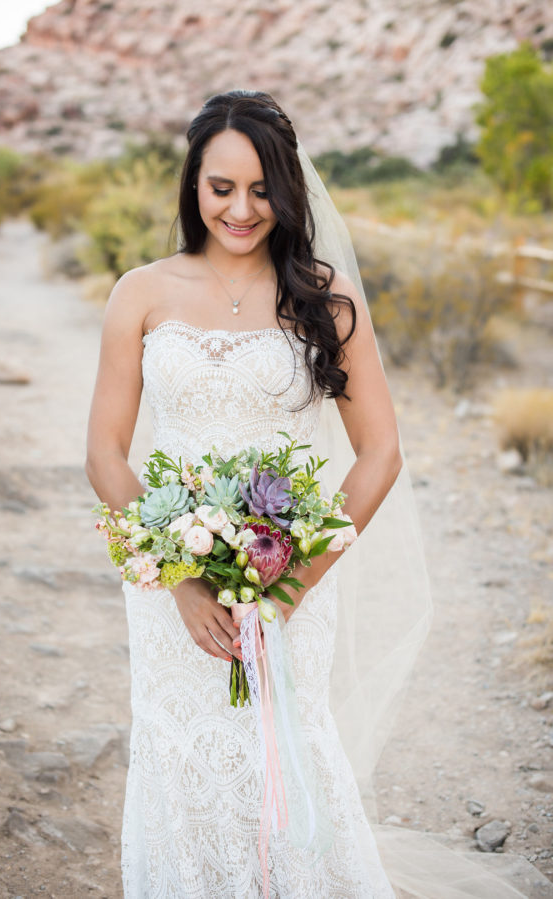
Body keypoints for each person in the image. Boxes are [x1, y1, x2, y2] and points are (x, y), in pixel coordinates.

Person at [85, 91, 531, 898]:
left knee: (282, 751)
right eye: (222, 187)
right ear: (194, 186)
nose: (242, 209)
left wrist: (292, 582)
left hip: (292, 574)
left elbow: (381, 452)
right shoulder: (140, 293)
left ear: (288, 192)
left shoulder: (325, 299)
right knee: (182, 749)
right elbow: (106, 454)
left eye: (262, 190)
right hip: (165, 581)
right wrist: (180, 582)